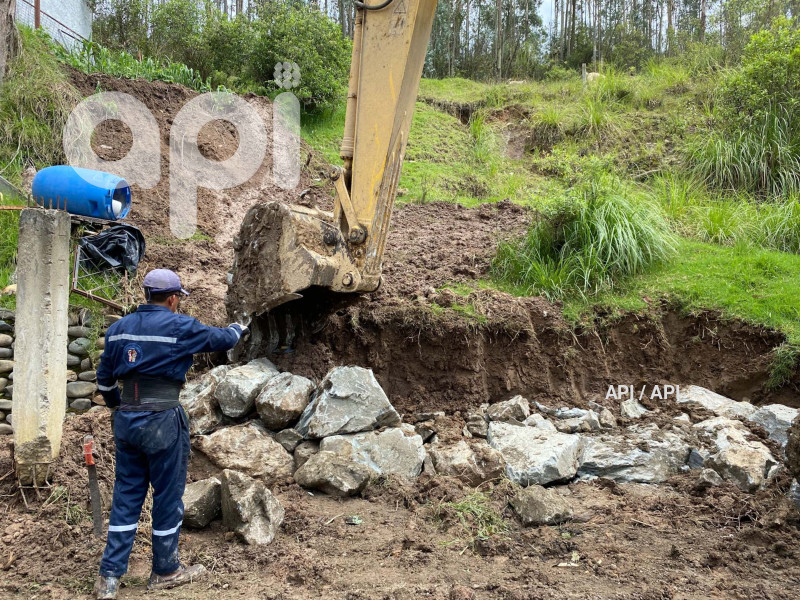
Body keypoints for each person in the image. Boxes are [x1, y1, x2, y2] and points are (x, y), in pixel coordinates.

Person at [93, 269, 248, 600]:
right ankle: (165, 570)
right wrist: (240, 326)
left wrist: (119, 406)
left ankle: (109, 577)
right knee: (166, 495)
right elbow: (224, 340)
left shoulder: (118, 330)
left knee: (126, 494)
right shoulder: (179, 326)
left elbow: (104, 380)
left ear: (146, 294)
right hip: (163, 417)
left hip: (126, 418)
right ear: (174, 298)